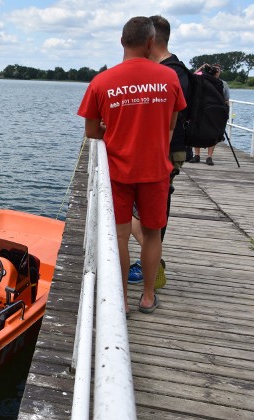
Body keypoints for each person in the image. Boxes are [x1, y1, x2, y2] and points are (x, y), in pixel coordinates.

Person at [77, 16, 186, 315]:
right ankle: (148, 296)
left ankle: (122, 300)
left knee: (120, 236)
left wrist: (114, 131)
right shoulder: (169, 78)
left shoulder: (102, 81)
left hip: (118, 170)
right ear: (151, 42)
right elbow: (171, 125)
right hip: (155, 170)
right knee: (152, 234)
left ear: (122, 42)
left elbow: (91, 131)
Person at [127, 15, 190, 288]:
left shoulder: (170, 73)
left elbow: (165, 120)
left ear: (151, 42)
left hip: (163, 152)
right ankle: (150, 261)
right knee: (151, 212)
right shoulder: (178, 70)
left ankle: (152, 263)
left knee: (144, 212)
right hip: (166, 150)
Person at [189, 64, 230, 165]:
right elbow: (192, 77)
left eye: (218, 69)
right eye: (215, 69)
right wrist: (202, 67)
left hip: (211, 111)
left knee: (213, 133)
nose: (216, 71)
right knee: (197, 130)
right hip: (205, 111)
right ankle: (197, 155)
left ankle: (208, 157)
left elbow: (226, 99)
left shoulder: (222, 83)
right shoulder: (202, 80)